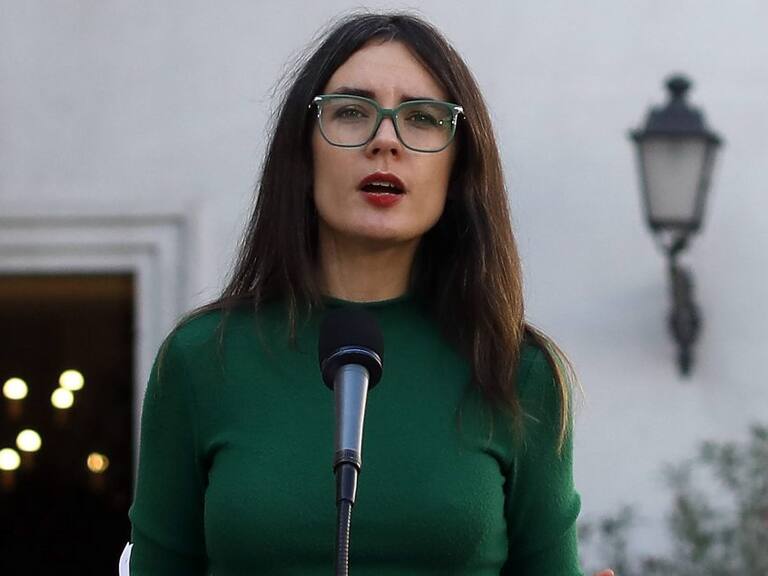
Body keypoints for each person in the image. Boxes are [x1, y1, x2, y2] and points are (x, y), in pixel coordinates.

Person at [126, 11, 614, 576]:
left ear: (458, 168)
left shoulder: (517, 372)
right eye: (352, 112)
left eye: (422, 117)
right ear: (303, 153)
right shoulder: (201, 360)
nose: (385, 140)